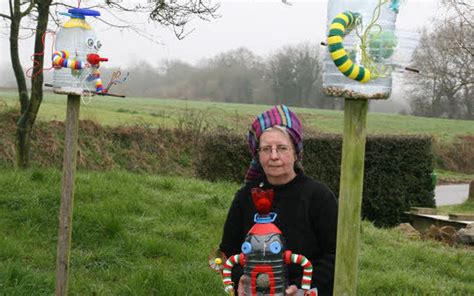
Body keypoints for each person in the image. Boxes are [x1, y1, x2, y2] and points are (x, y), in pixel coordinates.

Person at [219, 105, 338, 296]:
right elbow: (227, 252)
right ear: (257, 154)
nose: (274, 156)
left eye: (282, 148)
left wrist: (299, 287)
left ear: (296, 152)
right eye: (266, 149)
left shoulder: (319, 196)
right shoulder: (245, 197)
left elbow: (336, 255)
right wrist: (240, 279)